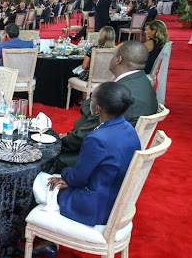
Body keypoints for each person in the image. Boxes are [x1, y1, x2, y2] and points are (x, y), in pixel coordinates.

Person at [34, 82, 141, 229]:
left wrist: (65, 176)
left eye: (92, 98)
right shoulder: (130, 129)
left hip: (93, 207)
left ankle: (41, 236)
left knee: (37, 180)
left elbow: (78, 178)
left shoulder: (97, 138)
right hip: (115, 199)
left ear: (97, 109)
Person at [57, 41, 157, 169]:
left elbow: (86, 133)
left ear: (118, 59)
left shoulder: (119, 93)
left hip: (97, 158)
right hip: (118, 148)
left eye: (112, 55)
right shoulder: (143, 83)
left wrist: (59, 143)